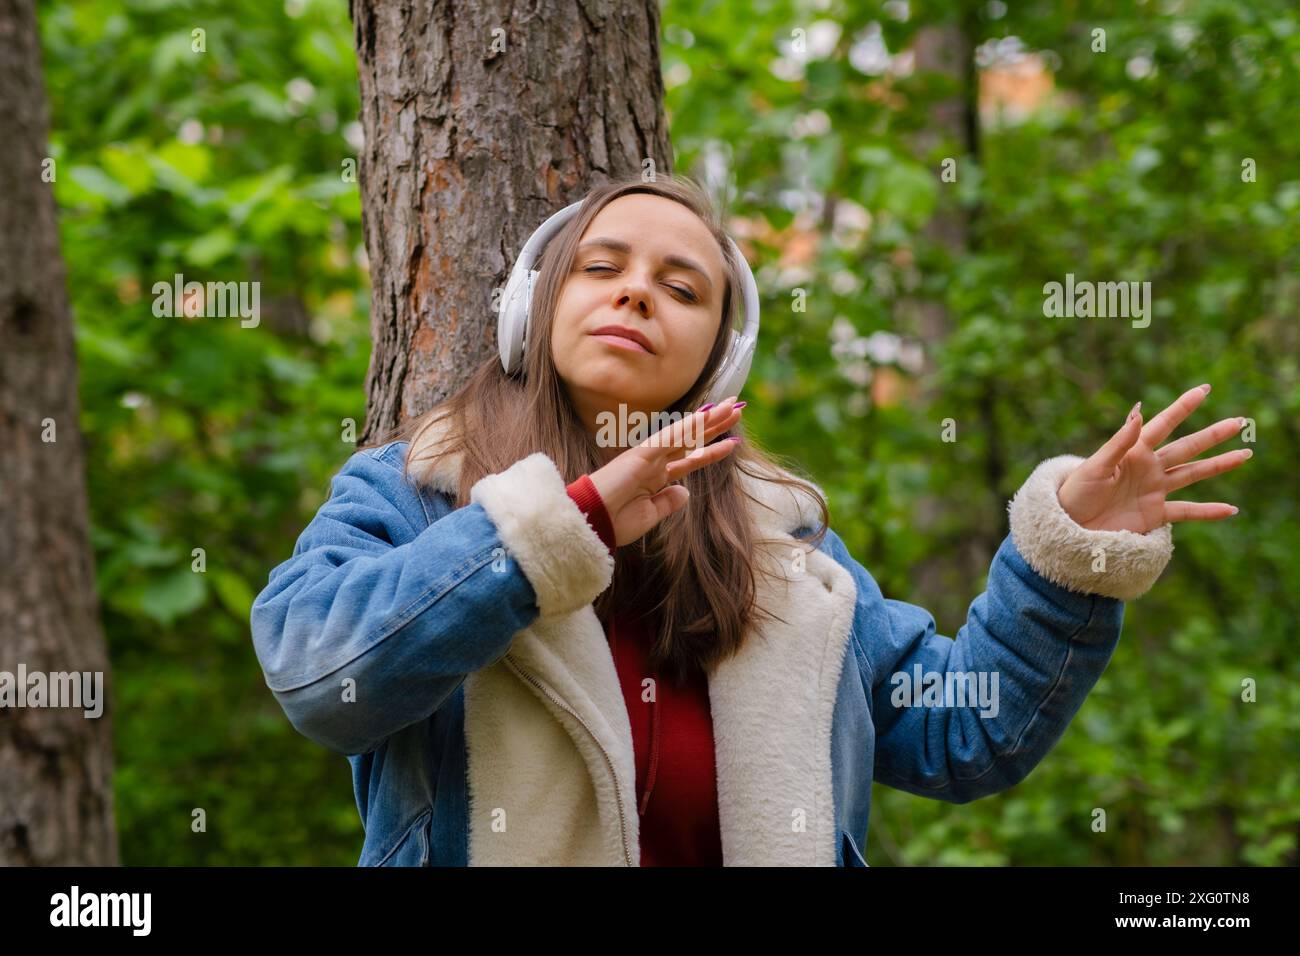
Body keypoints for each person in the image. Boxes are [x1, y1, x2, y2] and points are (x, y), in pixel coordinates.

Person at [249, 173, 1250, 866]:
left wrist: (1062, 557)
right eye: (603, 268)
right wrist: (567, 526)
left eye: (681, 288)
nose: (638, 290)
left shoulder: (785, 544)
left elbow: (964, 730)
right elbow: (316, 671)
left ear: (716, 363)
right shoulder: (413, 489)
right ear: (533, 307)